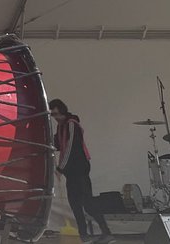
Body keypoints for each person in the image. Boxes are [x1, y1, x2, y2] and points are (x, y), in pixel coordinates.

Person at [49, 99, 112, 244]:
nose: (55, 117)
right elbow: (59, 144)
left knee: (88, 204)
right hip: (71, 173)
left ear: (62, 110)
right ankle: (84, 235)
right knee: (75, 204)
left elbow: (71, 148)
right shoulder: (61, 126)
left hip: (79, 170)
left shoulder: (72, 124)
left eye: (56, 113)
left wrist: (60, 168)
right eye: (53, 115)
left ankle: (106, 232)